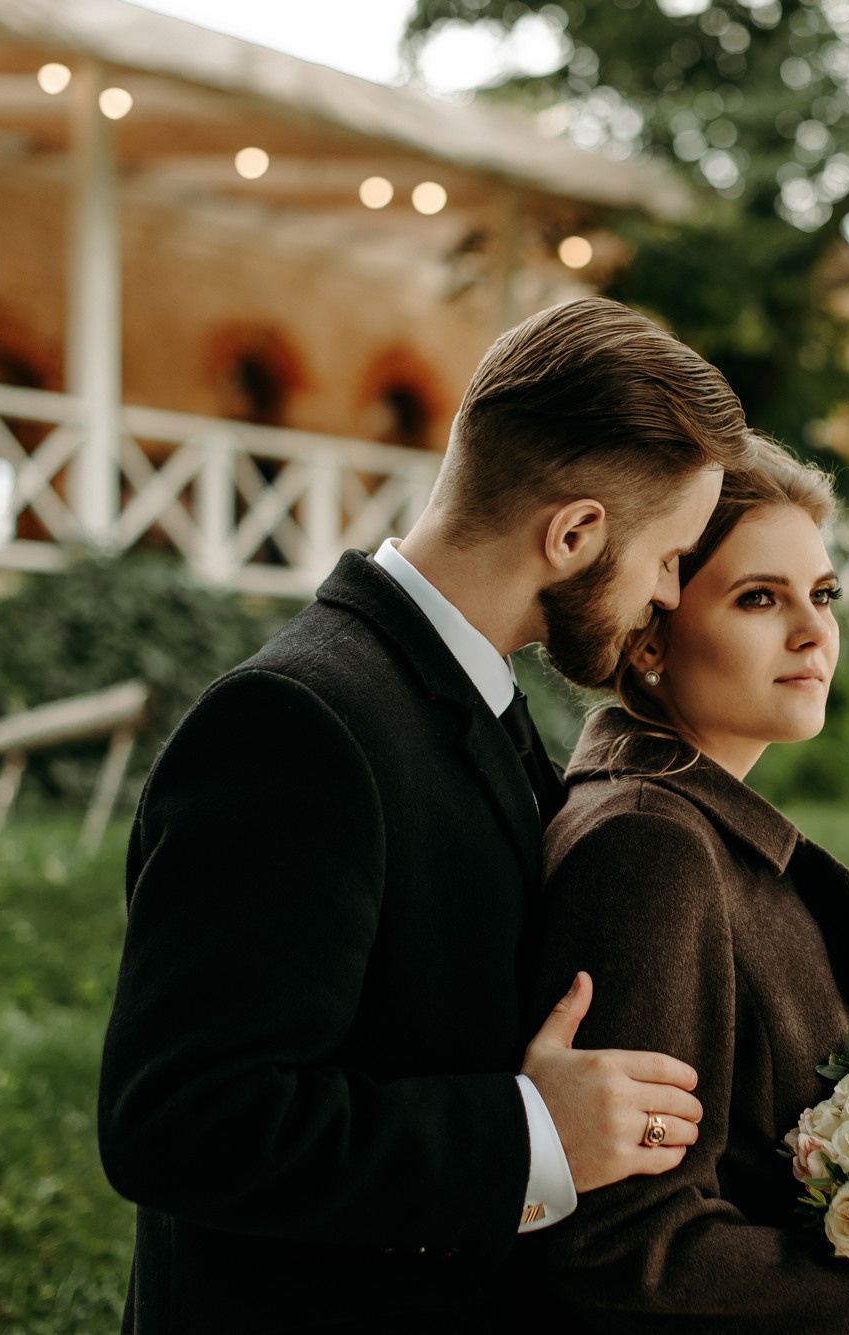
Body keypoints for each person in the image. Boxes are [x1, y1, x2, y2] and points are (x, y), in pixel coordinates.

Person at [96, 297, 757, 1332]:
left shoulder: (469, 696)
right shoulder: (295, 724)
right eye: (669, 555)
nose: (671, 593)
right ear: (576, 532)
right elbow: (183, 1124)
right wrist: (529, 1134)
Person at [521, 440, 849, 1334]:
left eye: (823, 594)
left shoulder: (687, 825)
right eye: (759, 597)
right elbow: (633, 1250)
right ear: (649, 631)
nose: (812, 630)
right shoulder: (649, 850)